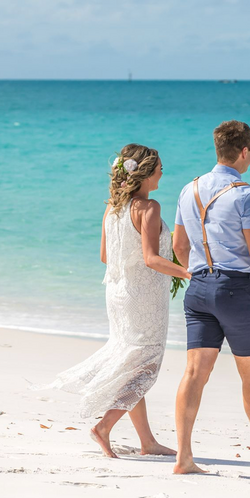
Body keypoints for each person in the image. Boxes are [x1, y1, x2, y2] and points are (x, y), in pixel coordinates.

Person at [49, 144, 191, 458]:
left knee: (131, 363)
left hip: (117, 293)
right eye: (160, 167)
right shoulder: (149, 207)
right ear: (146, 172)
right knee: (144, 368)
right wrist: (189, 273)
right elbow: (152, 258)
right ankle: (104, 427)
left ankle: (147, 442)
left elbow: (105, 256)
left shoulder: (113, 207)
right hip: (143, 297)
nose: (162, 172)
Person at [172, 120, 250, 475]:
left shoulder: (189, 189)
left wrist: (199, 273)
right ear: (245, 151)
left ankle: (184, 457)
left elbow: (179, 246)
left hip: (198, 288)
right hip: (237, 290)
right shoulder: (246, 194)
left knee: (194, 372)